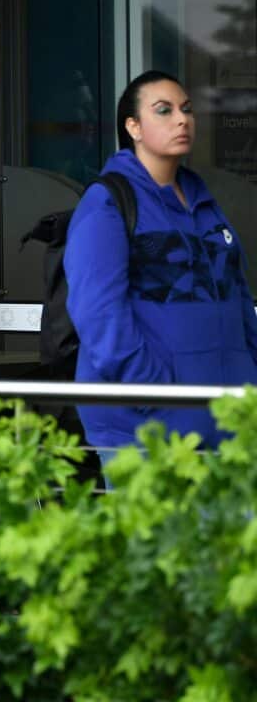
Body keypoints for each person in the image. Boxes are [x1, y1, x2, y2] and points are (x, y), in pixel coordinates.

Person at [65, 70, 257, 457]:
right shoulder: (108, 202)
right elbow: (99, 314)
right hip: (146, 431)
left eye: (186, 109)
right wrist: (155, 392)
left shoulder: (205, 203)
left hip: (229, 425)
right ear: (133, 126)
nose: (182, 119)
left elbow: (239, 298)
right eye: (164, 111)